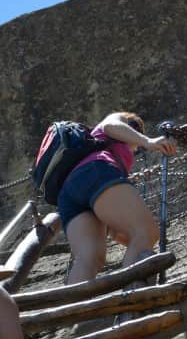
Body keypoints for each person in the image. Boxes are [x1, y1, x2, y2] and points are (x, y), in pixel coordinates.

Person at [56, 111, 178, 284]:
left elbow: (113, 223)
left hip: (69, 193)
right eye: (136, 133)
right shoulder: (117, 123)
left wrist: (132, 239)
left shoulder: (98, 148)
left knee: (89, 257)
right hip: (96, 171)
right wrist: (147, 141)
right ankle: (129, 303)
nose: (136, 147)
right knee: (146, 231)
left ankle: (74, 310)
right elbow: (111, 125)